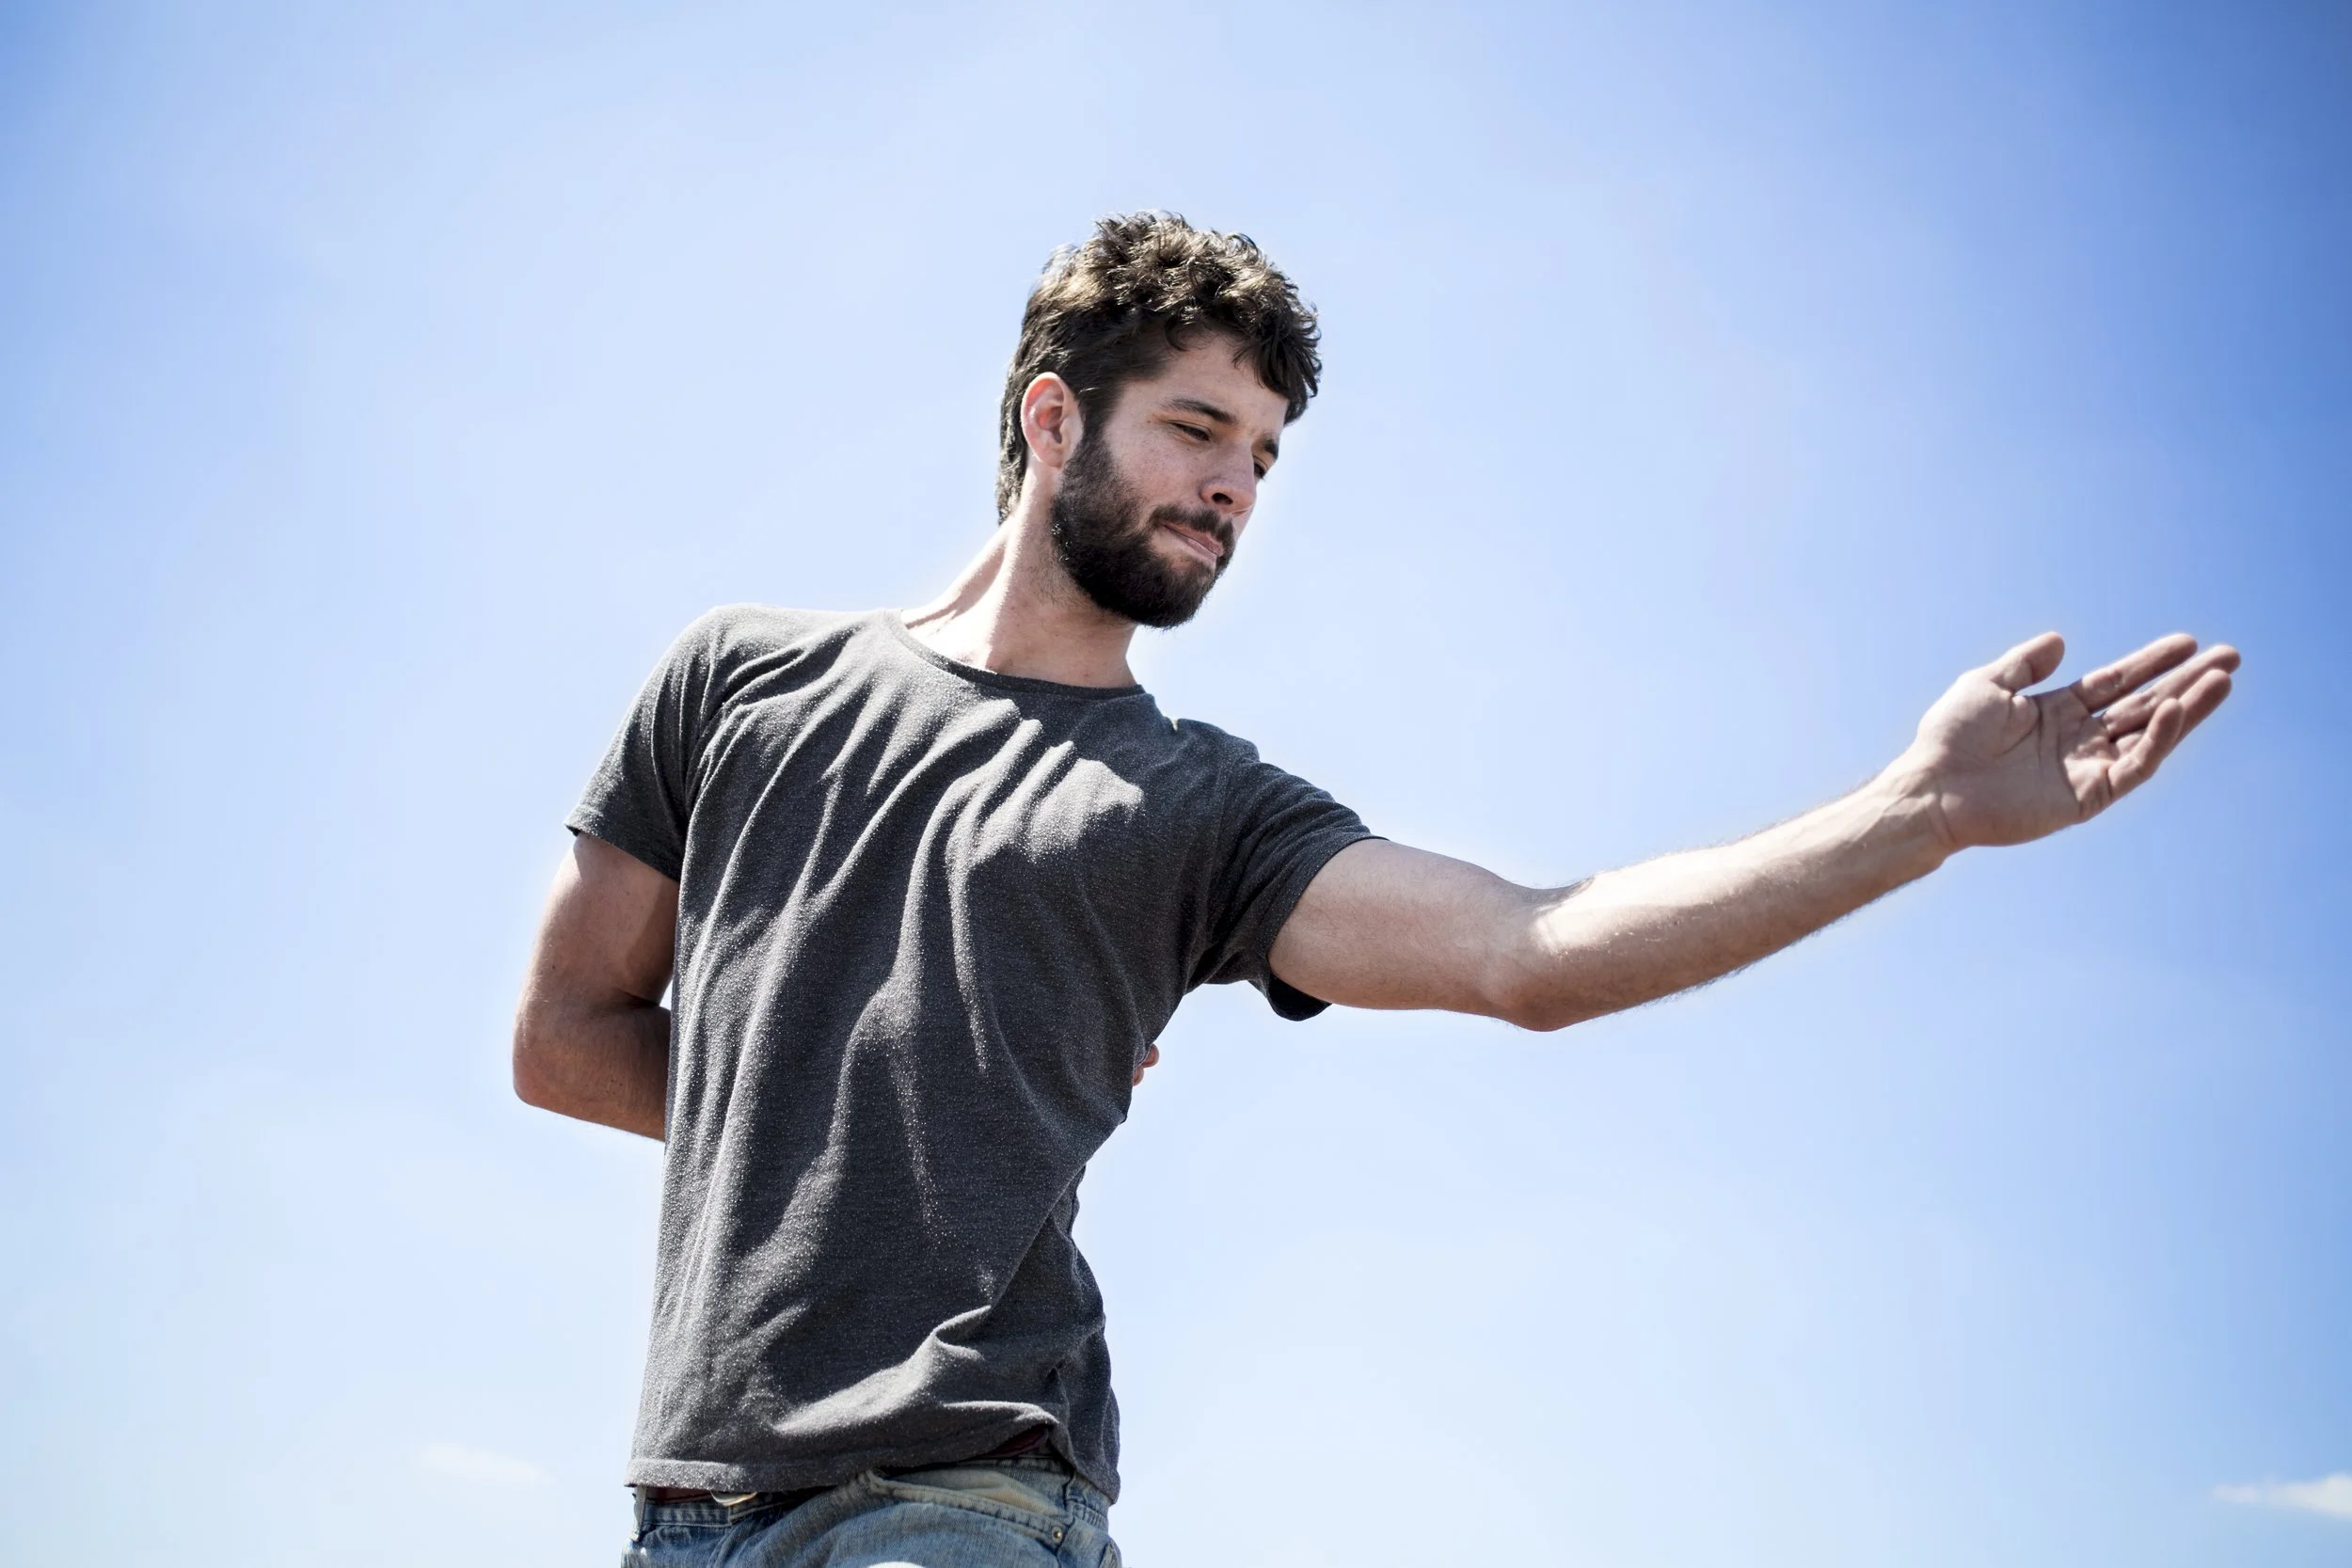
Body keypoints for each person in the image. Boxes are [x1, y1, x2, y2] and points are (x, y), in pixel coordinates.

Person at [512, 212, 2237, 1568]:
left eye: (1262, 456)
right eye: (1198, 428)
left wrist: (1910, 814)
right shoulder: (740, 679)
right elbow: (571, 1037)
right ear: (1053, 416)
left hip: (957, 1500)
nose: (1233, 489)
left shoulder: (1197, 806)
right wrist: (896, 1096)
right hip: (682, 1501)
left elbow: (1525, 950)